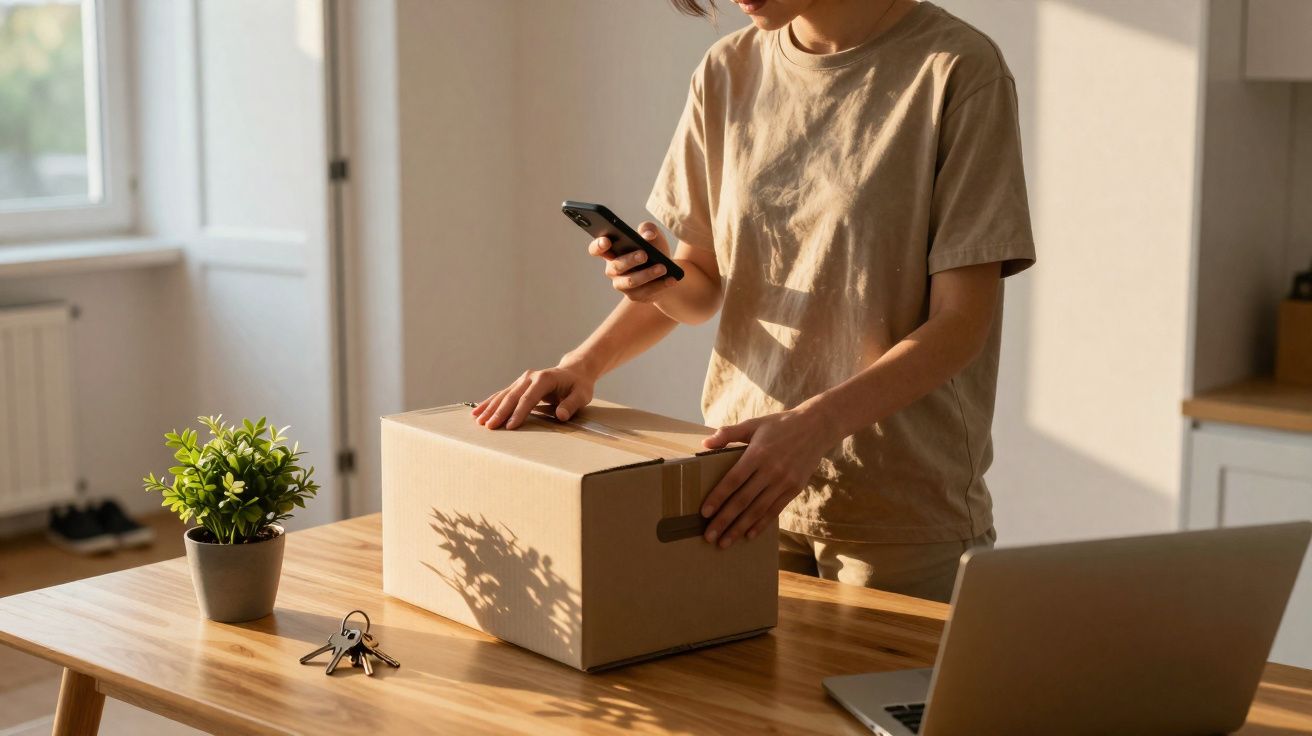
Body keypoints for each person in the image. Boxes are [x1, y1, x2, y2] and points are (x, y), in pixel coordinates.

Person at [473, 0, 1035, 603]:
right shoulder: (728, 71)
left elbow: (961, 326)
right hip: (740, 491)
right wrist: (588, 359)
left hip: (899, 513)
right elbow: (701, 286)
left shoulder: (957, 70)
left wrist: (812, 427)